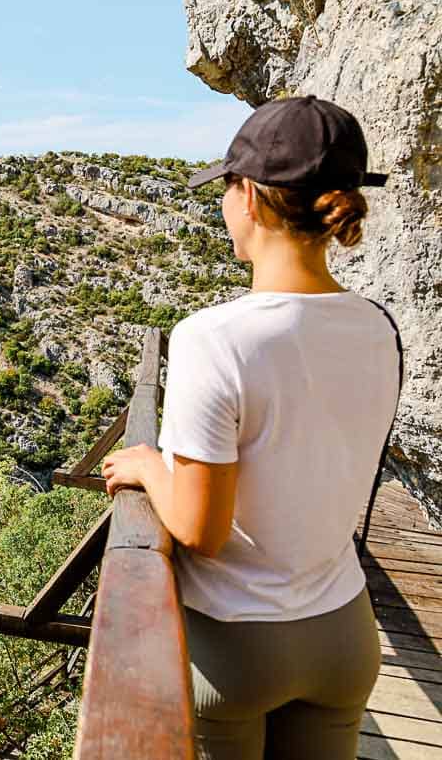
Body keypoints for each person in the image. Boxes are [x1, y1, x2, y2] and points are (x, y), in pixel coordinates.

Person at [100, 95, 399, 760]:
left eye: (228, 189)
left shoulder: (215, 338)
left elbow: (203, 533)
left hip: (238, 644)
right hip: (344, 631)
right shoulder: (380, 327)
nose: (223, 205)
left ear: (253, 200)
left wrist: (149, 465)